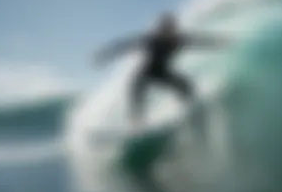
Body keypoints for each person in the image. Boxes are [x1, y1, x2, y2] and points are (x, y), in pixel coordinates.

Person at [94, 12, 229, 127]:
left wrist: (218, 43)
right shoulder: (152, 40)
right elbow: (125, 45)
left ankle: (190, 113)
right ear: (161, 29)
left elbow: (200, 41)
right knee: (136, 91)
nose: (168, 31)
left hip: (162, 72)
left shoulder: (179, 39)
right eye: (164, 28)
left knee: (186, 85)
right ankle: (136, 124)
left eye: (170, 28)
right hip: (146, 72)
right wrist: (105, 55)